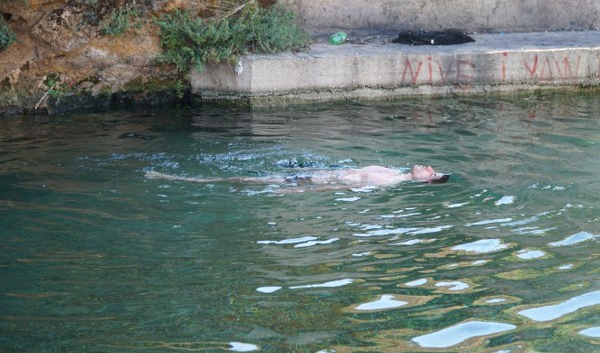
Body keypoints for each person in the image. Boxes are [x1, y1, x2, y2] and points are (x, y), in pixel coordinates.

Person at [145, 164, 449, 188]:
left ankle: (175, 179)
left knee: (253, 182)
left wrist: (302, 187)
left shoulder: (388, 181)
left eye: (432, 173)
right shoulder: (393, 172)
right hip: (317, 175)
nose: (429, 167)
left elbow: (340, 186)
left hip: (314, 182)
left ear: (427, 181)